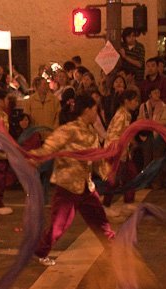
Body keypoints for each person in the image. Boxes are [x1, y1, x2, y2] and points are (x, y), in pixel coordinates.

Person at [29, 95, 115, 266]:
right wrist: (33, 158)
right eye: (95, 110)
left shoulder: (91, 133)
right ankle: (40, 252)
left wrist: (107, 173)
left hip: (86, 186)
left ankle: (114, 250)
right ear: (87, 110)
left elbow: (96, 158)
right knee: (58, 226)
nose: (96, 114)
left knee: (100, 220)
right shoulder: (69, 129)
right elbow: (50, 147)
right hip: (67, 186)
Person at [102, 90, 140, 214]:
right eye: (134, 100)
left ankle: (128, 202)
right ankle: (105, 205)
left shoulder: (126, 114)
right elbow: (115, 135)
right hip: (115, 151)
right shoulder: (122, 114)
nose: (136, 103)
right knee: (113, 179)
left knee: (130, 174)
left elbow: (124, 133)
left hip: (121, 150)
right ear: (126, 101)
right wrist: (119, 151)